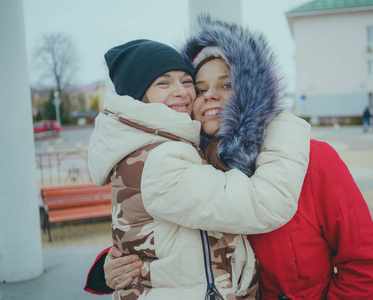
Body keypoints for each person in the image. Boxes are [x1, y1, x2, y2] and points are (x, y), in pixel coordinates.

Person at [86, 16, 373, 300]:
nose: (209, 96)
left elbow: (364, 266)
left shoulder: (312, 159)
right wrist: (111, 267)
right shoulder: (194, 163)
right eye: (200, 88)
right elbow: (174, 239)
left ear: (253, 90)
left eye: (226, 85)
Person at [86, 35, 310, 299]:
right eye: (163, 83)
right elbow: (266, 203)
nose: (183, 91)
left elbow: (171, 239)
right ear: (138, 97)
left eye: (187, 81)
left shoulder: (190, 148)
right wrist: (286, 124)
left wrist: (109, 265)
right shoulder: (158, 158)